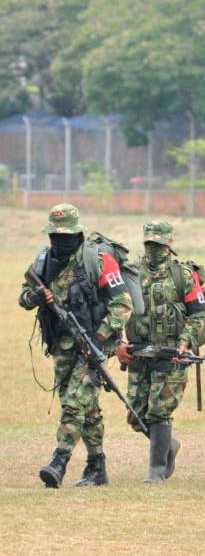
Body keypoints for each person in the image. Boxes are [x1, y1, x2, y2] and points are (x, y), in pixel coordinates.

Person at [19, 204, 133, 488]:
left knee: (73, 402)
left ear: (77, 233)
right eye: (55, 236)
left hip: (94, 342)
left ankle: (59, 461)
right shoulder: (44, 259)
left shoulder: (99, 260)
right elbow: (23, 298)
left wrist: (98, 339)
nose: (60, 242)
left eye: (66, 236)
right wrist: (35, 296)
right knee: (86, 406)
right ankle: (97, 466)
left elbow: (123, 306)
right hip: (61, 343)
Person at [116, 220, 205, 483]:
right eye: (149, 244)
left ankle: (156, 469)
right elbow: (115, 310)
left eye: (159, 244)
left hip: (171, 354)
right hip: (139, 354)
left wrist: (184, 343)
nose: (154, 249)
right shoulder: (130, 273)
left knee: (159, 412)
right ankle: (169, 445)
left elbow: (198, 316)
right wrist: (118, 345)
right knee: (136, 417)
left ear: (170, 243)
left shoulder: (184, 276)